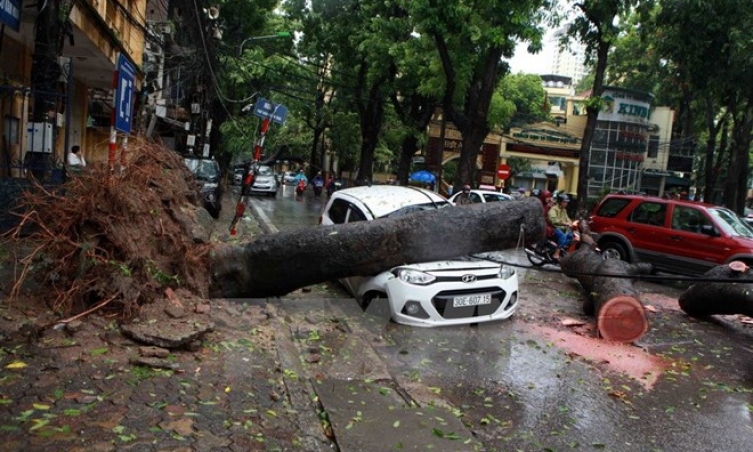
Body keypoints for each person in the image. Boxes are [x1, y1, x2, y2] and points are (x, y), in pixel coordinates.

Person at [547, 193, 575, 260]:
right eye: (564, 202)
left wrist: (571, 223)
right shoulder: (554, 209)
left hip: (563, 228)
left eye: (567, 202)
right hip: (554, 228)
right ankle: (556, 253)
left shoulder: (564, 210)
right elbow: (553, 219)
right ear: (560, 202)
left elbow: (567, 219)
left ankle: (562, 249)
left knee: (572, 236)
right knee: (563, 236)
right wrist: (563, 222)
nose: (566, 203)